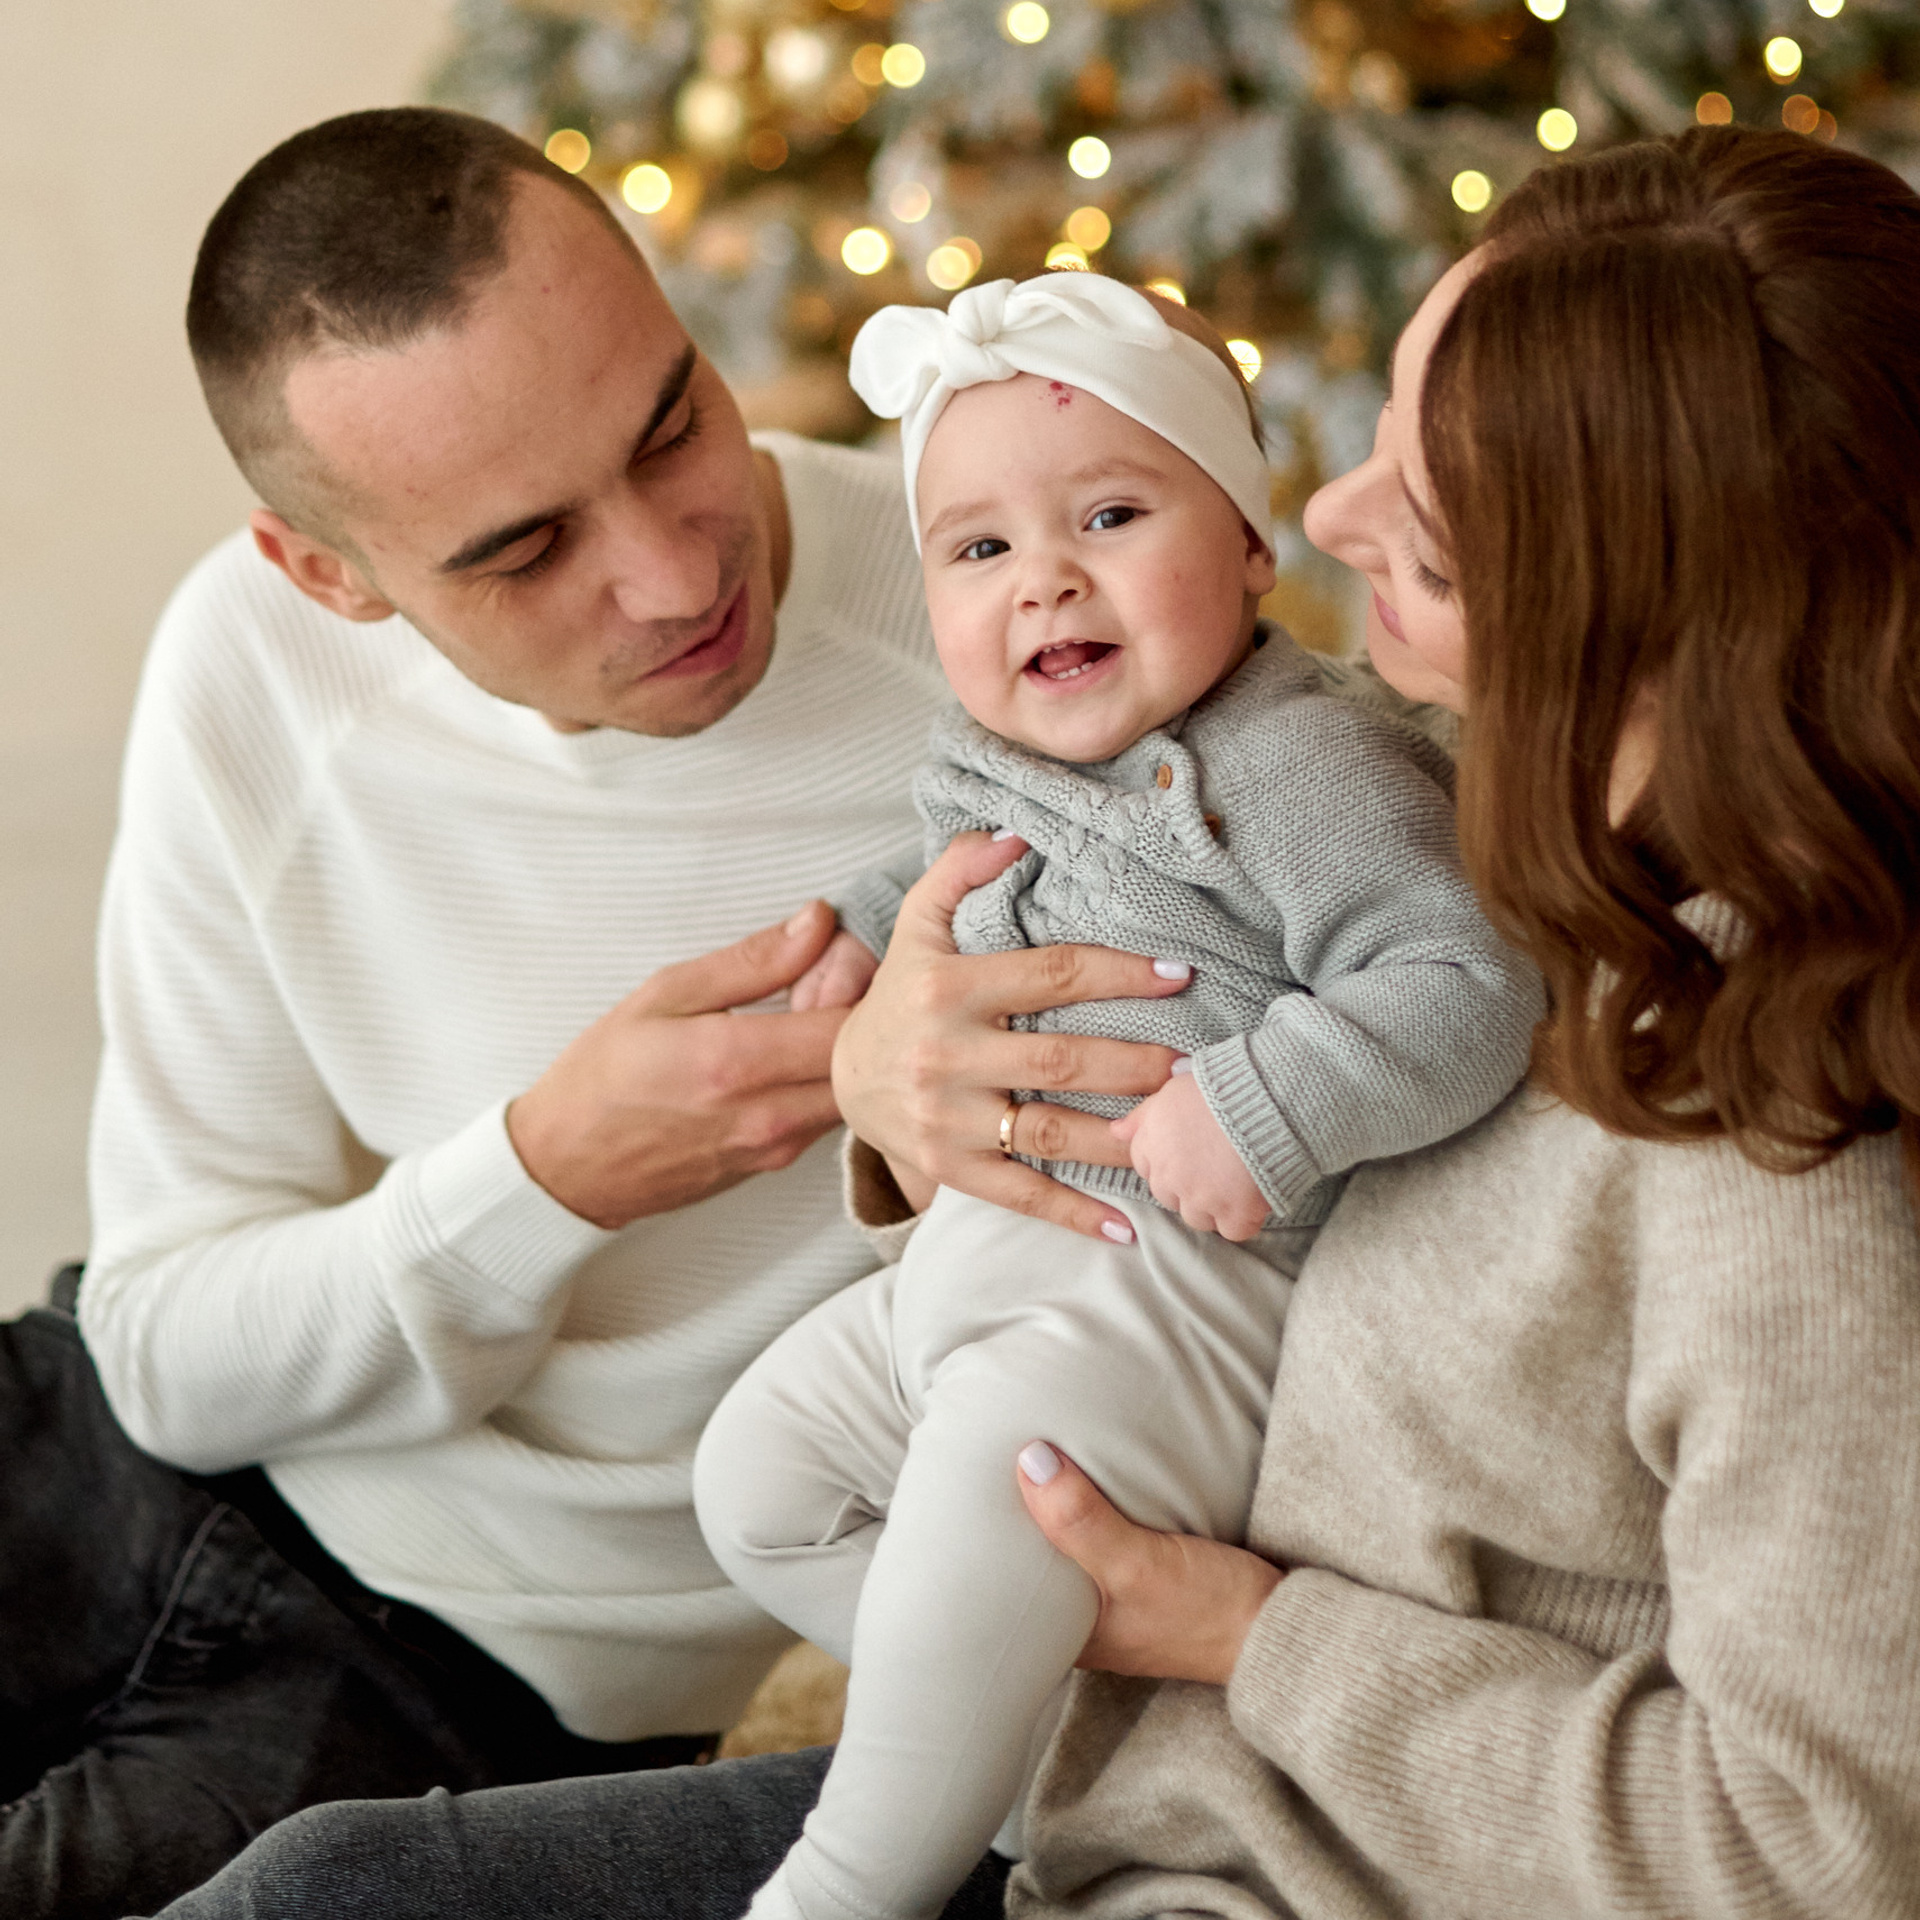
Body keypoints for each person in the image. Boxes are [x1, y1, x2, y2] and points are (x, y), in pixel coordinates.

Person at [146, 123, 1920, 1920]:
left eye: (1436, 536)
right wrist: (893, 1094)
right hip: (1121, 1757)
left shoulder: (1767, 1158)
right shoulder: (1491, 823)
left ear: (1654, 633)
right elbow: (1110, 950)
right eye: (1384, 430)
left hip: (1253, 1843)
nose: (1316, 519)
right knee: (320, 1883)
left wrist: (1247, 1637)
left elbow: (1821, 1849)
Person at [0, 105, 1192, 1920]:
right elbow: (163, 1346)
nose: (675, 572)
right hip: (95, 1455)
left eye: (672, 425)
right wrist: (551, 1176)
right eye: (522, 549)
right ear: (333, 575)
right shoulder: (256, 661)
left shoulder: (1032, 648)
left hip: (474, 1693)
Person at [692, 271, 1543, 1920]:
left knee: (983, 1497)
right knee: (758, 1484)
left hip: (1166, 1300)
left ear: (1245, 544)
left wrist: (1267, 1104)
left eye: (1110, 514)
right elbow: (953, 857)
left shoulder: (1305, 760)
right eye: (981, 549)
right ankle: (1035, 1755)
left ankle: (850, 1881)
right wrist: (861, 953)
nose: (1045, 583)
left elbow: (1465, 977)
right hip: (995, 1267)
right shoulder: (1009, 747)